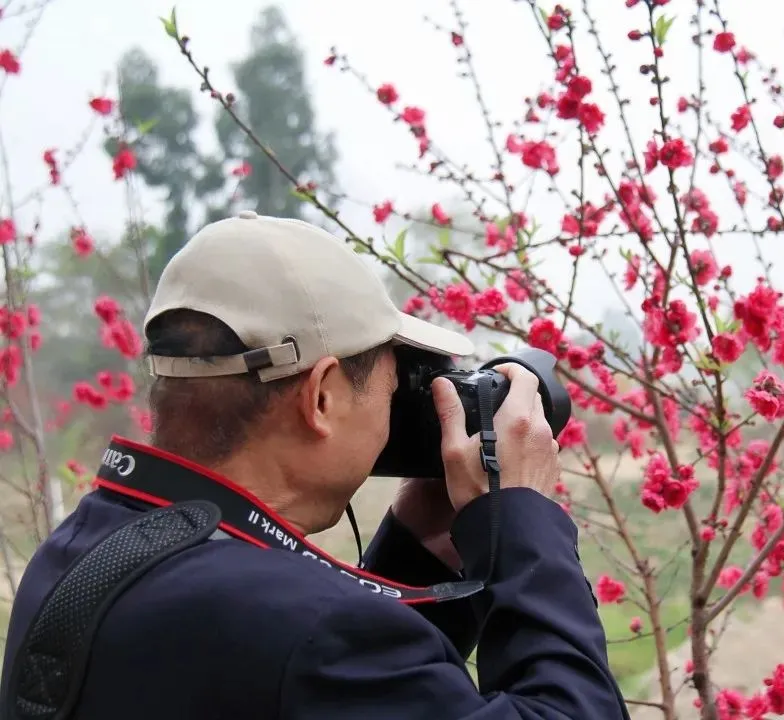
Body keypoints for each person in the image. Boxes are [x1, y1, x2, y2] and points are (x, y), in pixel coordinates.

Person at [0, 211, 630, 719]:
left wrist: (417, 552)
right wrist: (524, 524)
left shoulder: (82, 550)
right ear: (322, 396)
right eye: (394, 384)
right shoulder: (315, 636)